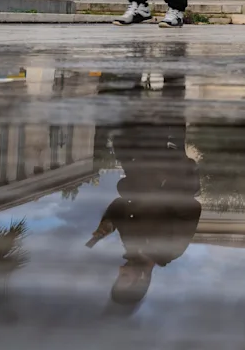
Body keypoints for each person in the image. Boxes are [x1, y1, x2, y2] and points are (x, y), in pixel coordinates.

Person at [88, 78, 201, 315]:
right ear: (141, 279)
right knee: (172, 92)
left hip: (134, 154)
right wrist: (162, 185)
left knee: (131, 93)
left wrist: (108, 223)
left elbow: (121, 205)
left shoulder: (131, 244)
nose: (120, 270)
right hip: (164, 154)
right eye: (124, 277)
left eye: (118, 276)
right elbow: (191, 209)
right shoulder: (170, 250)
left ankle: (133, 65)